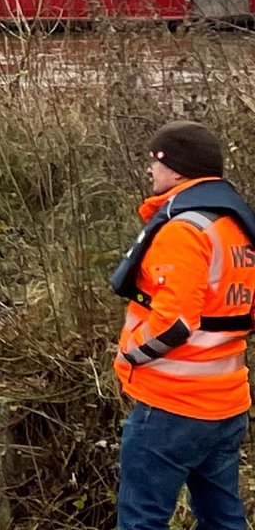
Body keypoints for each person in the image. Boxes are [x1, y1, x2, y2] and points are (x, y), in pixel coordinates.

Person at [110, 120, 255, 530]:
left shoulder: (184, 231)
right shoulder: (235, 226)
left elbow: (173, 325)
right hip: (227, 404)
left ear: (175, 169)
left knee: (141, 521)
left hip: (173, 406)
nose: (150, 171)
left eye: (154, 162)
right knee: (223, 519)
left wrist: (128, 354)